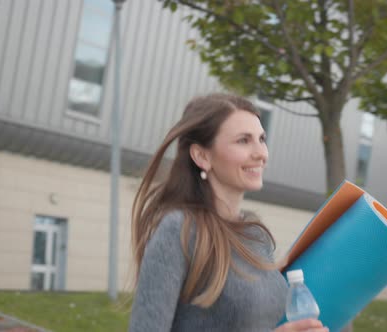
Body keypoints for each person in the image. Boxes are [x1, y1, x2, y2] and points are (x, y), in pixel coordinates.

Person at [129, 93, 328, 332]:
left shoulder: (256, 234)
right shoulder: (179, 230)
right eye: (243, 140)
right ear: (202, 156)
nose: (260, 153)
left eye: (261, 139)